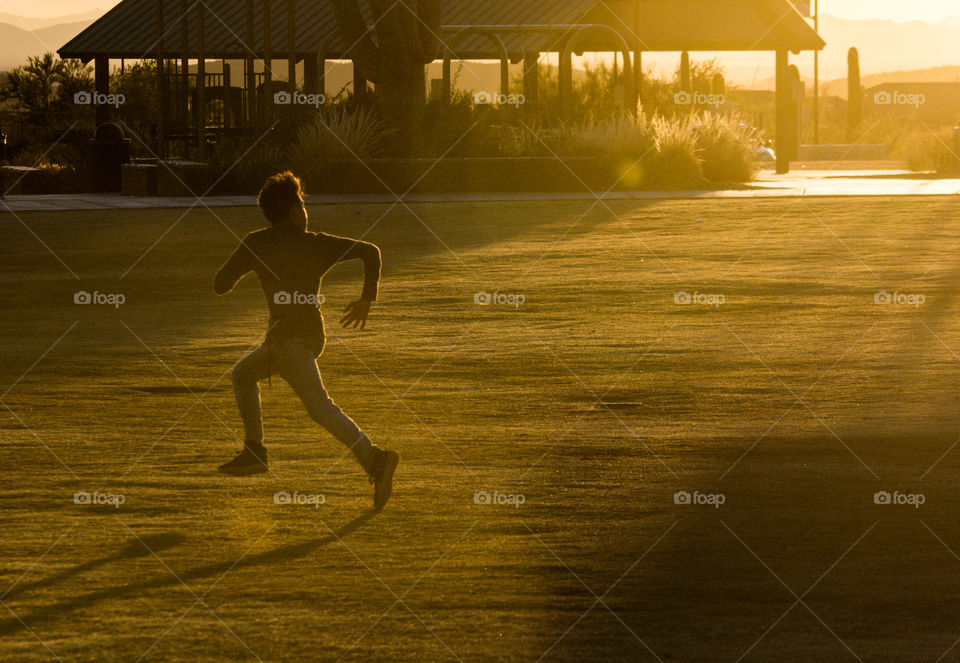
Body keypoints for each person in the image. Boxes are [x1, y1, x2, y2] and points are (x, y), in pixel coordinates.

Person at [213, 171, 398, 510]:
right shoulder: (317, 243)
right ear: (293, 211)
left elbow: (221, 284)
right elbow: (371, 252)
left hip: (289, 341)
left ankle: (375, 459)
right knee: (244, 375)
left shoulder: (257, 242)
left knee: (320, 408)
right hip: (301, 337)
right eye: (300, 203)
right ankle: (256, 451)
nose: (304, 208)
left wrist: (244, 263)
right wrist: (366, 299)